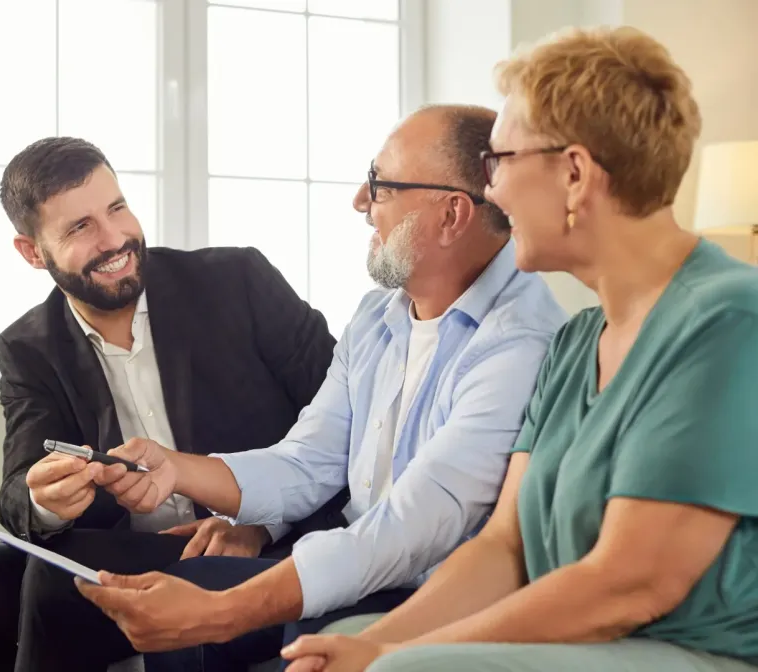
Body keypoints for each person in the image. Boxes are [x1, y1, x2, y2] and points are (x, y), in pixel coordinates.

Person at [276, 25, 758, 672]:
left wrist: (392, 653)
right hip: (593, 642)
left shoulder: (727, 320)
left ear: (575, 173)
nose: (492, 192)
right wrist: (372, 643)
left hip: (697, 653)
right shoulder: (576, 342)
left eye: (499, 162)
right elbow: (504, 548)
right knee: (349, 640)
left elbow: (628, 585)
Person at [76, 104, 569, 669]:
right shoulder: (377, 317)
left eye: (380, 185)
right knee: (187, 588)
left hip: (431, 590)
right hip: (360, 561)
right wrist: (172, 468)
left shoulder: (518, 343)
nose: (361, 201)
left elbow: (412, 529)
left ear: (451, 215)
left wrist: (224, 611)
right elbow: (308, 462)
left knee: (239, 621)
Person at [0, 137, 343, 672]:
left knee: (64, 571)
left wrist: (258, 524)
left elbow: (351, 427)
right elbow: (17, 492)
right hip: (138, 554)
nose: (115, 240)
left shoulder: (237, 281)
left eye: (117, 208)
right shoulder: (29, 346)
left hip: (260, 543)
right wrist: (45, 499)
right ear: (32, 252)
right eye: (80, 227)